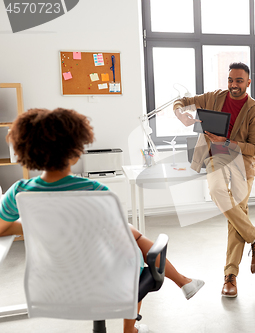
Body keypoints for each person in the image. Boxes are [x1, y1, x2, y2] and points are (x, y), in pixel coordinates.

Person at [0, 108, 205, 333]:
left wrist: (43, 225)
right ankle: (132, 328)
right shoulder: (95, 190)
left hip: (56, 287)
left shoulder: (19, 192)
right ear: (76, 151)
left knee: (129, 235)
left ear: (26, 151)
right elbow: (117, 239)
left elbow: (2, 229)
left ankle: (184, 283)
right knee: (134, 243)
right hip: (109, 280)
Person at [173, 62, 255, 297]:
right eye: (230, 80)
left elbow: (254, 148)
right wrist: (180, 114)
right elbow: (182, 102)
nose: (233, 85)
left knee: (236, 214)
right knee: (217, 191)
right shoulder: (215, 97)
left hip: (242, 164)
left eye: (239, 81)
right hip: (217, 159)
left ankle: (230, 276)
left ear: (248, 82)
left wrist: (224, 142)